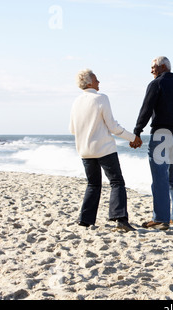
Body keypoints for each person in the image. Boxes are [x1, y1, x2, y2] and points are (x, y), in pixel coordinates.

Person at [130, 56, 173, 230]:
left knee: (160, 177)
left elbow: (146, 109)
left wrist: (137, 131)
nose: (151, 70)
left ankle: (161, 219)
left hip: (161, 134)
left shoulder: (156, 84)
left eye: (153, 67)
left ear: (163, 67)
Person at [69, 69, 136, 232]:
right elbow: (113, 126)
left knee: (93, 184)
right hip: (104, 148)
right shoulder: (101, 98)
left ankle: (85, 220)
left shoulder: (76, 101)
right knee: (117, 182)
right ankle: (120, 218)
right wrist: (133, 138)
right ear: (90, 82)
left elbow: (72, 129)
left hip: (85, 150)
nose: (99, 82)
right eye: (96, 79)